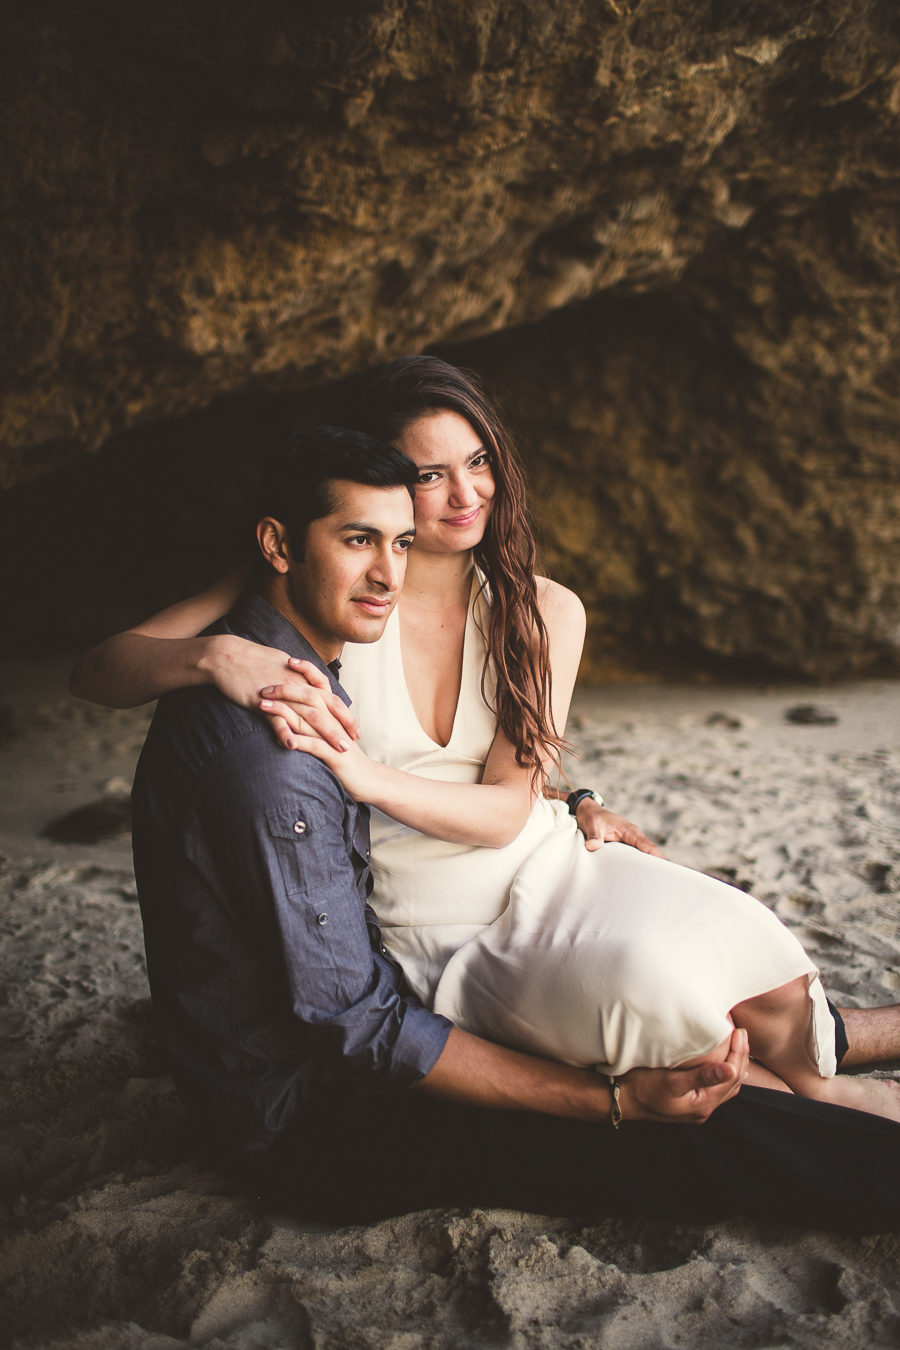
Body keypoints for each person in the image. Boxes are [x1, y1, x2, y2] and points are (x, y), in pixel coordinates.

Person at [113, 422, 900, 1234]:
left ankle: (839, 1074)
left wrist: (575, 799)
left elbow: (474, 771)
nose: (389, 572)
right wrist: (614, 1104)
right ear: (279, 545)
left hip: (335, 1039)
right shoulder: (274, 756)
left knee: (669, 1049)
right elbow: (364, 1026)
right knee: (669, 1136)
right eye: (358, 540)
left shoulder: (298, 665)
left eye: (401, 543)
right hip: (315, 1119)